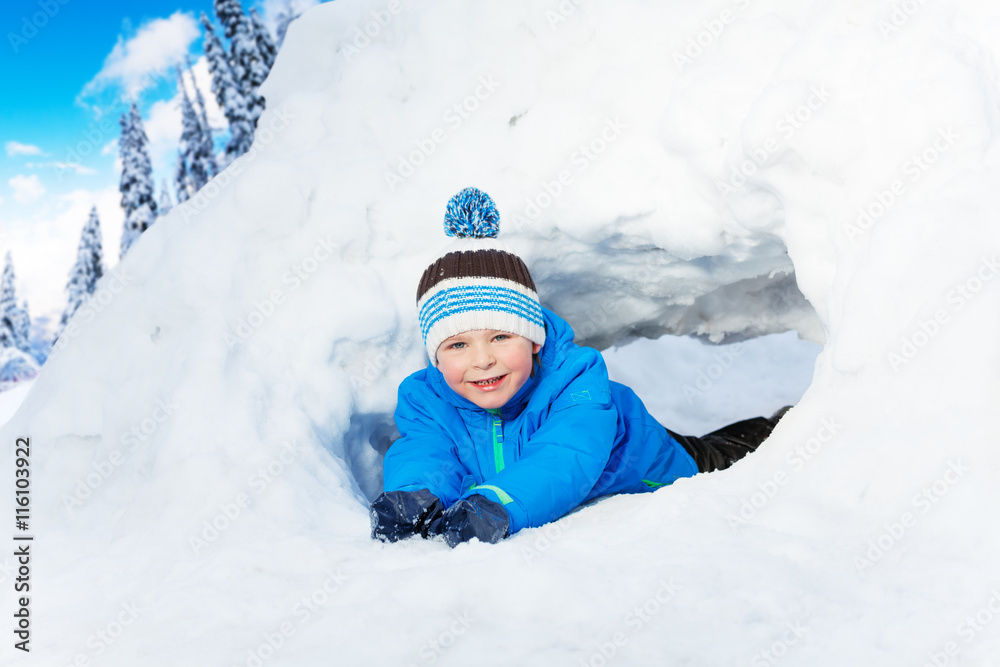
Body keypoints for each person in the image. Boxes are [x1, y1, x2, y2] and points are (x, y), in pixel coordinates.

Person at [370, 187, 789, 547]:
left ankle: (787, 423)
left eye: (501, 337)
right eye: (459, 344)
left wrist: (497, 504)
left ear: (533, 340)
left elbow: (565, 457)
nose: (483, 360)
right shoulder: (426, 399)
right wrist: (415, 495)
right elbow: (426, 452)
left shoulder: (574, 381)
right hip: (527, 480)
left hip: (666, 462)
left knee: (738, 451)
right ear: (435, 357)